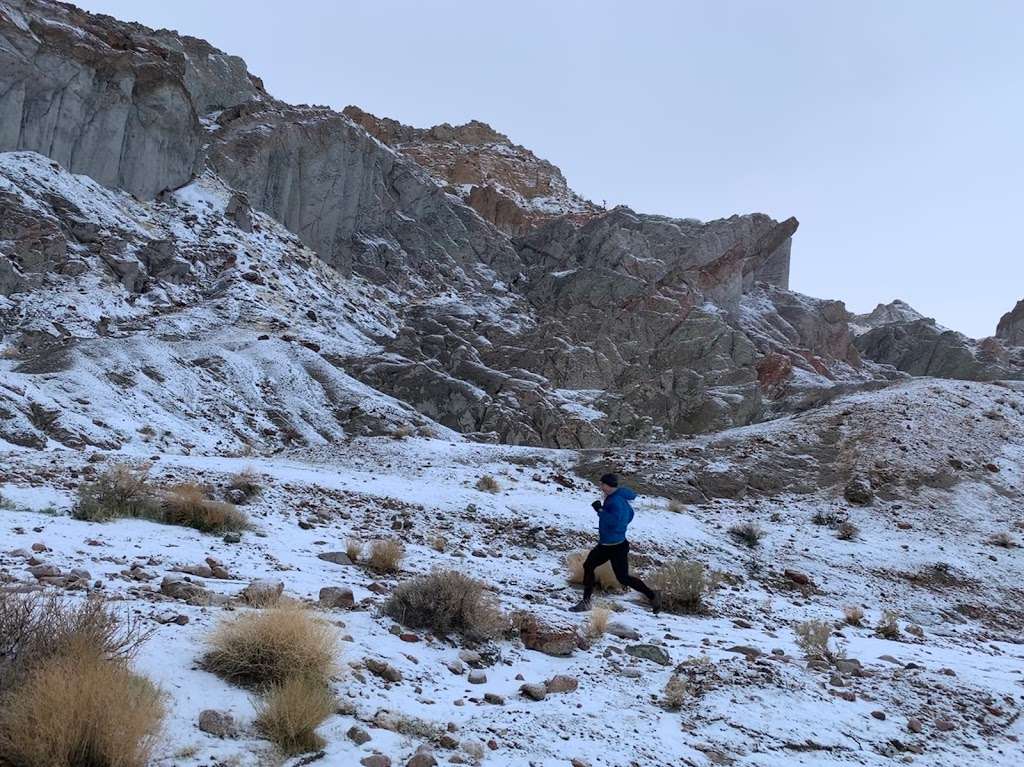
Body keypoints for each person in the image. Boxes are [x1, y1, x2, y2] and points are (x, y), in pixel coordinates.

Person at [570, 473, 661, 613]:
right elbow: (630, 514)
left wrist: (600, 510)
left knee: (618, 576)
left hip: (611, 546)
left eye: (602, 484)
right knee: (593, 567)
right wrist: (618, 529)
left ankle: (586, 602)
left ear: (608, 485)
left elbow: (613, 521)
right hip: (616, 543)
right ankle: (652, 595)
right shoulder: (620, 498)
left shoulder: (615, 501)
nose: (600, 487)